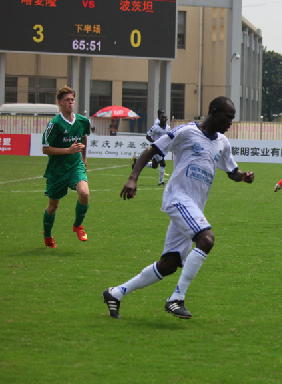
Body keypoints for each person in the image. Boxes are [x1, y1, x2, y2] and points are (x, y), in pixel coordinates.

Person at [102, 96, 254, 319]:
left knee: (169, 264)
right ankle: (176, 298)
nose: (230, 123)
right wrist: (133, 177)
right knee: (206, 240)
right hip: (178, 198)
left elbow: (232, 171)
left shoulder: (222, 142)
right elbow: (152, 149)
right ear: (213, 112)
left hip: (194, 207)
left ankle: (116, 293)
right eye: (228, 118)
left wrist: (243, 177)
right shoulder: (186, 132)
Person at [41, 86, 91, 248]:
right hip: (57, 170)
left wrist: (83, 158)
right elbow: (45, 148)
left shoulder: (82, 121)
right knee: (53, 206)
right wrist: (67, 150)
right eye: (67, 100)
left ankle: (78, 225)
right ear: (60, 103)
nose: (71, 103)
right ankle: (47, 234)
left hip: (75, 166)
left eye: (72, 99)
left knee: (84, 193)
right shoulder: (54, 124)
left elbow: (84, 136)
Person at [143, 112, 172, 185]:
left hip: (162, 148)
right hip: (155, 148)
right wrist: (154, 142)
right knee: (163, 164)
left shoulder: (168, 128)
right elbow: (148, 136)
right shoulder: (155, 127)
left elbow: (170, 137)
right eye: (162, 117)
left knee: (154, 165)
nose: (164, 119)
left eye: (165, 117)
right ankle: (161, 182)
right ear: (159, 119)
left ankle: (139, 162)